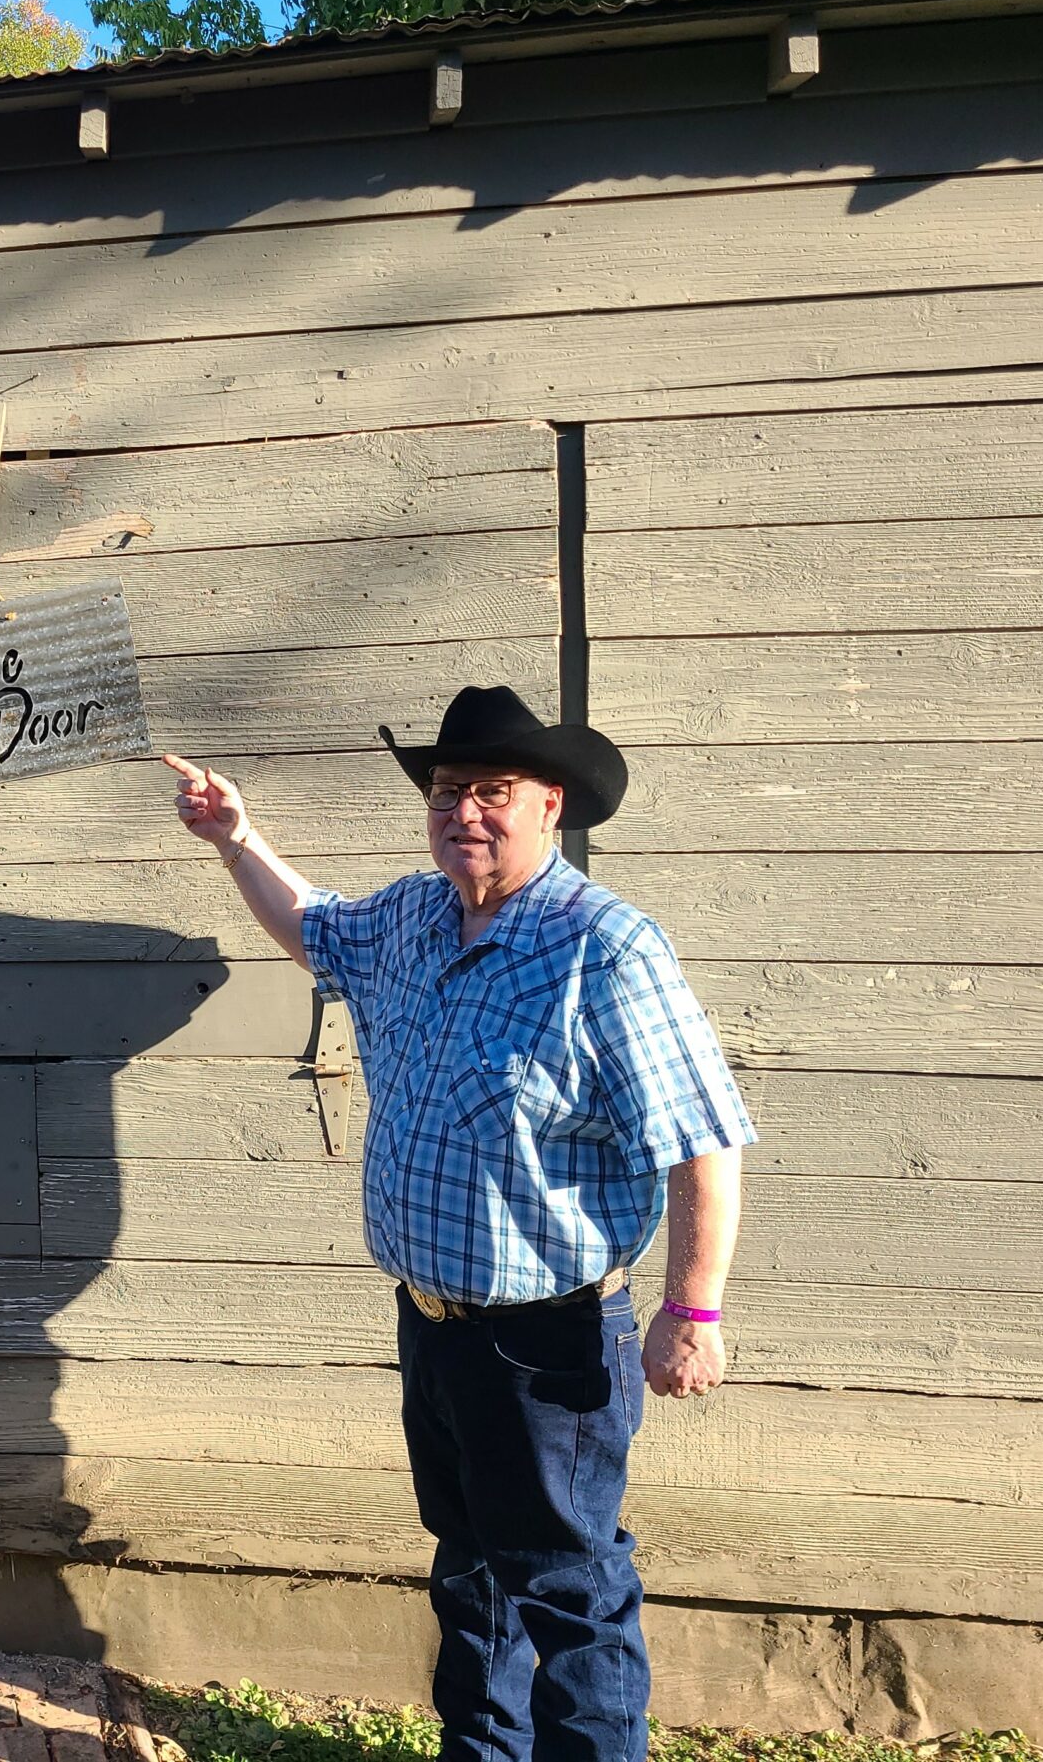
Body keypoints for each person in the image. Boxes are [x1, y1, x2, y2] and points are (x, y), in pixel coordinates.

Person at [163, 683, 752, 1762]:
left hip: (549, 1344)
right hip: (433, 1325)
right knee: (471, 1573)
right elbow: (310, 925)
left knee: (571, 1594)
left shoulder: (604, 948)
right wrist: (236, 836)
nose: (464, 810)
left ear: (549, 804)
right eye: (447, 789)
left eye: (492, 789)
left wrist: (692, 1308)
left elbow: (703, 1143)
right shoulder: (411, 917)